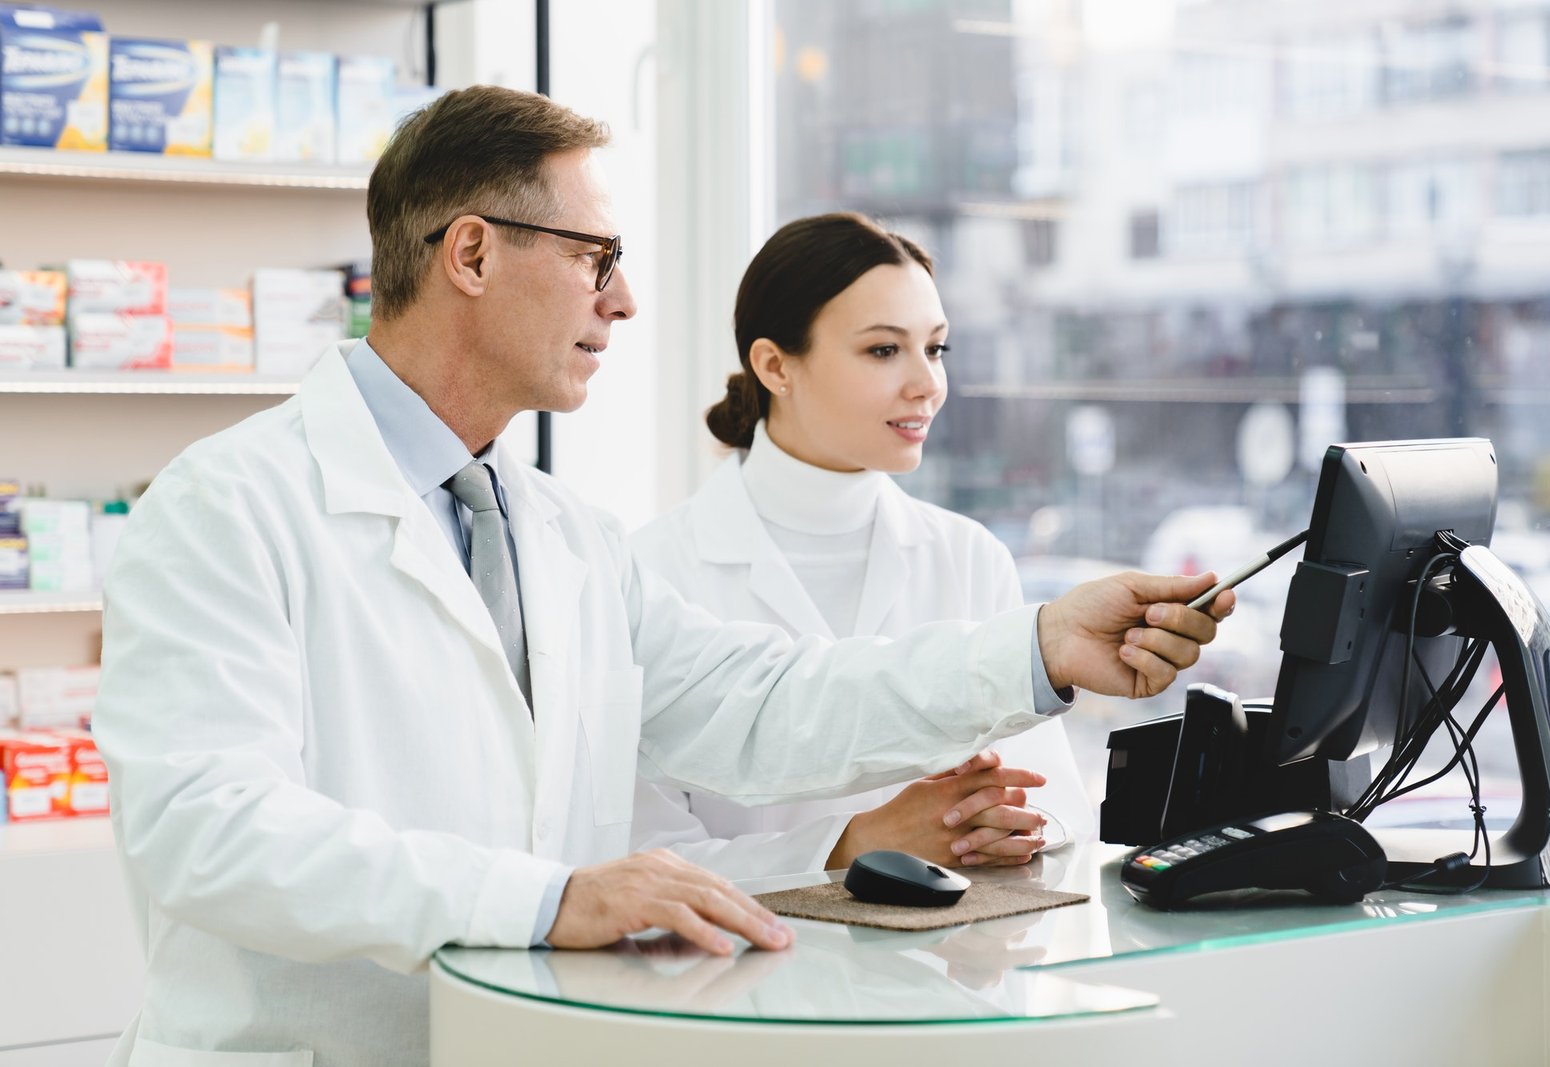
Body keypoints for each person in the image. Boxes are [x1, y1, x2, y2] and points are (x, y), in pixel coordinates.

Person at [91, 86, 1232, 1065]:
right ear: (473, 253)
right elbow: (206, 823)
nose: (623, 301)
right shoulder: (228, 503)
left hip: (528, 1039)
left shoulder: (565, 533)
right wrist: (549, 896)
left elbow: (769, 704)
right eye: (597, 259)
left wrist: (1032, 648)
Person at [631, 213, 1094, 880]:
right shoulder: (652, 571)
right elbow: (637, 862)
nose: (926, 383)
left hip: (945, 973)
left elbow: (1056, 813)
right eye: (884, 350)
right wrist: (855, 843)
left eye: (936, 349)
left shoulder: (969, 556)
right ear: (774, 365)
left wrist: (1002, 827)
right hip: (740, 978)